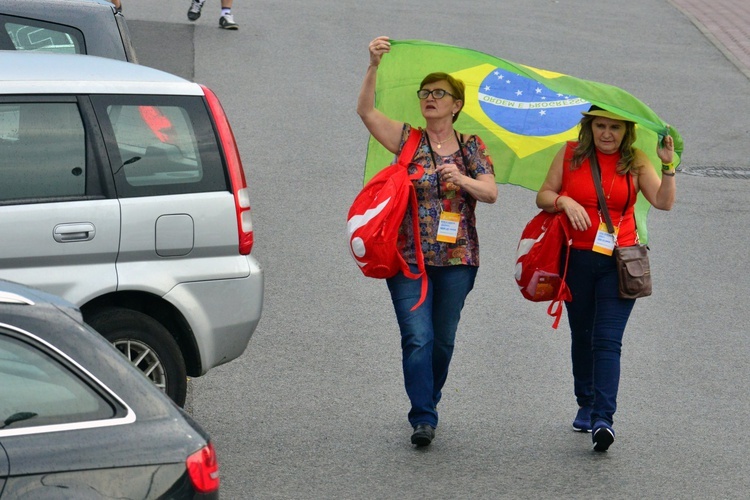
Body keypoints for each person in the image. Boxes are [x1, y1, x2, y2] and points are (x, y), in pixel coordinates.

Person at [357, 36, 498, 447]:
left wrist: (464, 179)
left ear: (457, 104)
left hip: (458, 259)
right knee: (417, 335)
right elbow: (365, 111)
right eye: (425, 93)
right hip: (408, 257)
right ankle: (423, 416)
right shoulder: (408, 139)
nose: (430, 98)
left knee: (443, 339)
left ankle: (428, 399)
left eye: (440, 93)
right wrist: (372, 66)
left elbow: (490, 193)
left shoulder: (472, 147)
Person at [536, 105, 676, 452]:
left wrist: (667, 166)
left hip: (620, 262)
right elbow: (544, 195)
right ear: (590, 127)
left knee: (607, 340)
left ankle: (603, 419)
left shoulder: (638, 161)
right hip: (577, 259)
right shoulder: (570, 154)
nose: (607, 133)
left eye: (615, 127)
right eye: (601, 126)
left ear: (627, 131)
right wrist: (564, 201)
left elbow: (663, 202)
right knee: (582, 335)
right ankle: (585, 401)